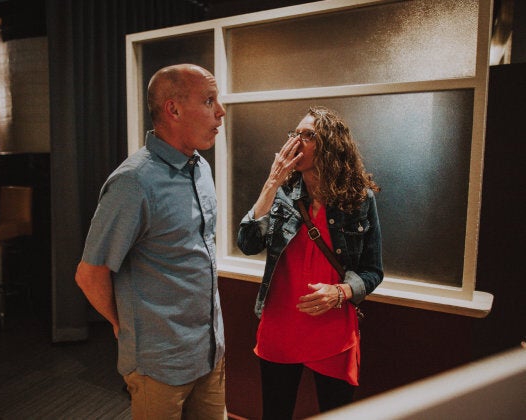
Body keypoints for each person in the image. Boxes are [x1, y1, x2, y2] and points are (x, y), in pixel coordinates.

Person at [75, 63, 227, 419]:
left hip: (210, 353)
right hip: (159, 364)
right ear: (172, 109)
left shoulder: (201, 167)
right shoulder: (134, 182)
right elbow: (89, 274)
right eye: (209, 101)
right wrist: (124, 326)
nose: (220, 111)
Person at [237, 106, 383, 418]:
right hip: (280, 327)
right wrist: (271, 183)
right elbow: (248, 244)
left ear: (331, 145)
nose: (296, 141)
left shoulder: (358, 199)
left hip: (332, 332)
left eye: (308, 135)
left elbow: (373, 270)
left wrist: (341, 292)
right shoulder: (281, 193)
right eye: (295, 134)